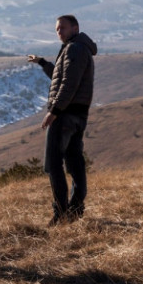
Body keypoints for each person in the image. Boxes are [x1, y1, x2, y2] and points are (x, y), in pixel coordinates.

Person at [27, 14, 97, 226]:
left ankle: (61, 213)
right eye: (57, 29)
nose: (59, 32)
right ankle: (75, 209)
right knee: (75, 161)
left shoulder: (74, 49)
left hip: (65, 114)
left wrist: (54, 111)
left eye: (63, 28)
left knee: (54, 163)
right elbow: (61, 76)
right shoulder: (78, 48)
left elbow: (69, 83)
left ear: (75, 28)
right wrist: (42, 63)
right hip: (78, 114)